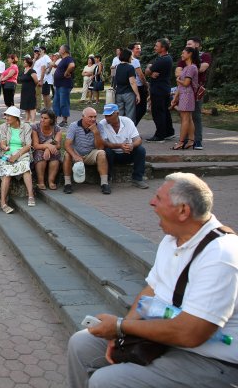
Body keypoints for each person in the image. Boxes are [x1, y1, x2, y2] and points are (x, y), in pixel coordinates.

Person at [67, 173, 238, 388]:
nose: (151, 202)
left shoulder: (221, 255)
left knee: (106, 382)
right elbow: (151, 289)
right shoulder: (171, 239)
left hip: (209, 360)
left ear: (183, 210)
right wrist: (122, 336)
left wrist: (121, 326)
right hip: (164, 339)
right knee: (81, 343)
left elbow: (190, 333)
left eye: (158, 198)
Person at [97, 103, 149, 189]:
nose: (107, 118)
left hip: (127, 153)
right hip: (112, 154)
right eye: (105, 115)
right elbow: (104, 143)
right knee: (106, 151)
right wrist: (120, 146)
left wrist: (131, 145)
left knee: (140, 150)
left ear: (117, 113)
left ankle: (138, 179)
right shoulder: (102, 124)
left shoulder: (127, 121)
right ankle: (107, 179)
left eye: (110, 115)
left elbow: (138, 139)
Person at [63, 107, 111, 195]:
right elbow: (67, 144)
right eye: (90, 117)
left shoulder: (99, 126)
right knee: (67, 154)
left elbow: (100, 147)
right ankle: (67, 183)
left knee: (102, 153)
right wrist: (75, 156)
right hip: (77, 152)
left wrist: (96, 133)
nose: (93, 119)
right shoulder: (74, 125)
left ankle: (104, 183)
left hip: (91, 153)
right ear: (83, 117)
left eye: (95, 117)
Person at [0, 105, 35, 214]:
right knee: (6, 174)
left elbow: (28, 145)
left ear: (16, 117)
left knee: (25, 168)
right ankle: (3, 203)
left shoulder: (26, 127)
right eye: (6, 115)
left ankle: (31, 195)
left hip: (22, 153)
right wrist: (5, 147)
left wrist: (16, 155)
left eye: (9, 116)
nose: (6, 118)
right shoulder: (4, 127)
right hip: (6, 154)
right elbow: (2, 142)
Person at [176, 37, 211, 150]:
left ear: (197, 45)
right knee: (185, 116)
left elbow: (202, 68)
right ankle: (187, 139)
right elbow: (177, 71)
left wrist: (187, 70)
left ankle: (197, 140)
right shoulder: (185, 57)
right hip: (184, 91)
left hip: (195, 90)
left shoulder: (204, 56)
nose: (187, 45)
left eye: (189, 44)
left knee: (195, 115)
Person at [145, 38, 176, 142]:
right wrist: (150, 70)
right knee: (165, 112)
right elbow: (149, 69)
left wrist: (150, 69)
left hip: (159, 90)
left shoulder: (163, 60)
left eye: (156, 46)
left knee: (158, 112)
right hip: (163, 89)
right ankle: (169, 132)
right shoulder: (164, 58)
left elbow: (147, 70)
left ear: (163, 48)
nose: (154, 47)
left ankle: (160, 135)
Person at [170, 46, 200, 150]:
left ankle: (181, 142)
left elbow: (186, 83)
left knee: (185, 119)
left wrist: (178, 80)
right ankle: (191, 141)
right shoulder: (187, 68)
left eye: (183, 53)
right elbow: (181, 85)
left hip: (188, 95)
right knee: (189, 118)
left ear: (190, 54)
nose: (182, 55)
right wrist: (175, 97)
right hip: (184, 94)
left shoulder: (192, 67)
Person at [32, 108, 62, 191]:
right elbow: (35, 145)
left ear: (51, 120)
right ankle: (41, 182)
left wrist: (48, 149)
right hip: (39, 150)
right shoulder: (35, 127)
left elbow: (58, 145)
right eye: (41, 117)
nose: (42, 120)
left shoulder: (57, 129)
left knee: (55, 154)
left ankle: (51, 181)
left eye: (45, 118)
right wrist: (48, 146)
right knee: (39, 154)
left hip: (51, 150)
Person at [114, 48, 141, 123]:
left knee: (119, 115)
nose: (132, 58)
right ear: (128, 56)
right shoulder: (130, 67)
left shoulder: (117, 67)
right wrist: (137, 94)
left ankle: (120, 132)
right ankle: (130, 133)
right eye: (131, 56)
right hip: (128, 93)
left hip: (119, 93)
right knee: (130, 115)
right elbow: (132, 82)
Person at [53, 44, 75, 127]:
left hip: (64, 85)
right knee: (56, 102)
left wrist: (66, 72)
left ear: (64, 50)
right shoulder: (62, 59)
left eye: (60, 49)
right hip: (59, 85)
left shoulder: (68, 58)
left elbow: (72, 65)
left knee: (63, 102)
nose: (59, 50)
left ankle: (64, 121)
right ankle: (54, 120)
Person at [129, 42, 149, 125]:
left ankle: (130, 128)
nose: (139, 50)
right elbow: (141, 75)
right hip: (138, 87)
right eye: (137, 48)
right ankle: (132, 127)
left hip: (129, 87)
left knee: (131, 109)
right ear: (132, 50)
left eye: (140, 48)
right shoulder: (135, 61)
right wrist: (146, 84)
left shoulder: (122, 60)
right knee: (141, 108)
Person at [19, 57, 39, 122]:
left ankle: (33, 121)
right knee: (26, 106)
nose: (24, 63)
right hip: (24, 91)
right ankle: (27, 120)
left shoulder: (32, 71)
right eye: (24, 62)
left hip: (30, 90)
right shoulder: (23, 71)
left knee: (31, 106)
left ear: (28, 63)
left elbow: (36, 81)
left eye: (25, 62)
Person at [34, 46, 51, 110]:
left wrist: (48, 70)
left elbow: (50, 64)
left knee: (45, 94)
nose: (37, 52)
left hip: (45, 79)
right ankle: (46, 108)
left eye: (38, 51)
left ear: (42, 51)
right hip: (37, 79)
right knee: (43, 94)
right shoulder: (36, 59)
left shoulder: (45, 57)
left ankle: (48, 108)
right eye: (35, 51)